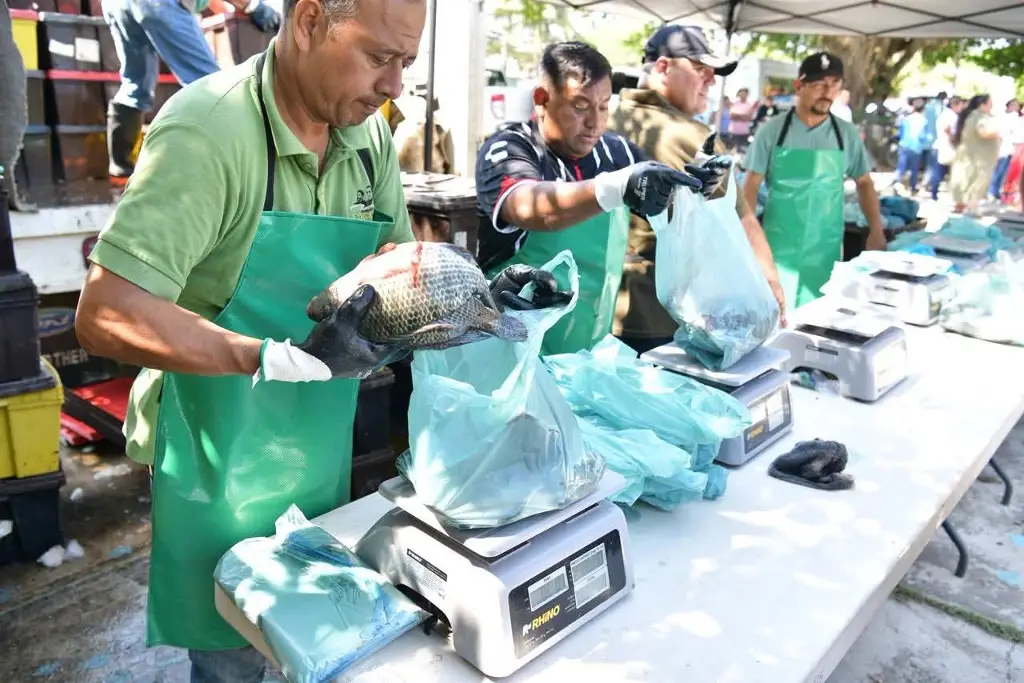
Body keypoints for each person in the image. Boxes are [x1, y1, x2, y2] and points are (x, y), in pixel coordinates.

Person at [73, 2, 554, 679]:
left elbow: (396, 264)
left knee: (318, 639)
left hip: (315, 437)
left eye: (406, 64)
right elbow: (107, 311)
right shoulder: (208, 131)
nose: (393, 87)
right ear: (307, 23)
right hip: (216, 448)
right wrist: (271, 357)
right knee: (233, 649)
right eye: (379, 58)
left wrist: (476, 295)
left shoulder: (366, 136)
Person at [475, 40, 717, 356]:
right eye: (580, 106)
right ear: (542, 99)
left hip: (585, 350)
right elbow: (530, 207)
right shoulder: (510, 149)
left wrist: (691, 190)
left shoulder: (616, 153)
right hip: (509, 349)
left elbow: (663, 210)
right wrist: (614, 187)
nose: (594, 123)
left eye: (603, 106)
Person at [607, 23, 786, 353]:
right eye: (701, 70)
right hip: (664, 318)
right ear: (664, 66)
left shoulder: (599, 119)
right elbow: (741, 220)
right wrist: (771, 283)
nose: (712, 81)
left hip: (596, 308)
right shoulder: (693, 138)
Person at [742, 52, 886, 310]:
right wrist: (747, 235)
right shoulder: (773, 131)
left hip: (826, 245)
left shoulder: (846, 135)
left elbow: (864, 182)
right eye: (819, 84)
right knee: (774, 312)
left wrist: (876, 229)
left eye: (834, 84)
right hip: (778, 243)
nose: (827, 92)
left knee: (819, 318)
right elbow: (751, 184)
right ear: (799, 86)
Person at [102, 0, 282, 185]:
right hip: (159, 4)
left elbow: (217, 6)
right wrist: (253, 7)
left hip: (117, 5)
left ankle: (120, 171)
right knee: (210, 85)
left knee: (135, 86)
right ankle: (223, 174)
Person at [950, 94, 1000, 215]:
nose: (991, 106)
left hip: (968, 156)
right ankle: (971, 208)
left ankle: (960, 207)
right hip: (979, 158)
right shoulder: (979, 117)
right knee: (976, 182)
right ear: (982, 105)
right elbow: (983, 132)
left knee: (964, 181)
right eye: (989, 104)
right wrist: (998, 133)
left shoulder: (969, 116)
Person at [929, 95, 964, 200]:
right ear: (955, 105)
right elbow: (948, 130)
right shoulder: (951, 116)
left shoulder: (945, 114)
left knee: (939, 172)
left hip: (940, 146)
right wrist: (955, 142)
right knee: (941, 172)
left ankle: (935, 192)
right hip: (946, 148)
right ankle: (936, 192)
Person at [894, 97, 929, 195]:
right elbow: (923, 136)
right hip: (916, 148)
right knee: (914, 169)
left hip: (904, 145)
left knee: (901, 167)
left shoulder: (907, 119)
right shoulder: (924, 121)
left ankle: (897, 185)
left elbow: (900, 133)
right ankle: (912, 188)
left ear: (913, 107)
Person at [989, 98, 1021, 201]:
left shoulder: (1016, 118)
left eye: (1017, 105)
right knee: (998, 171)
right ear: (1009, 106)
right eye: (1014, 105)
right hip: (1002, 147)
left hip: (1011, 148)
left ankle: (996, 190)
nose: (1016, 107)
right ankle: (992, 190)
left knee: (1003, 171)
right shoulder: (1003, 118)